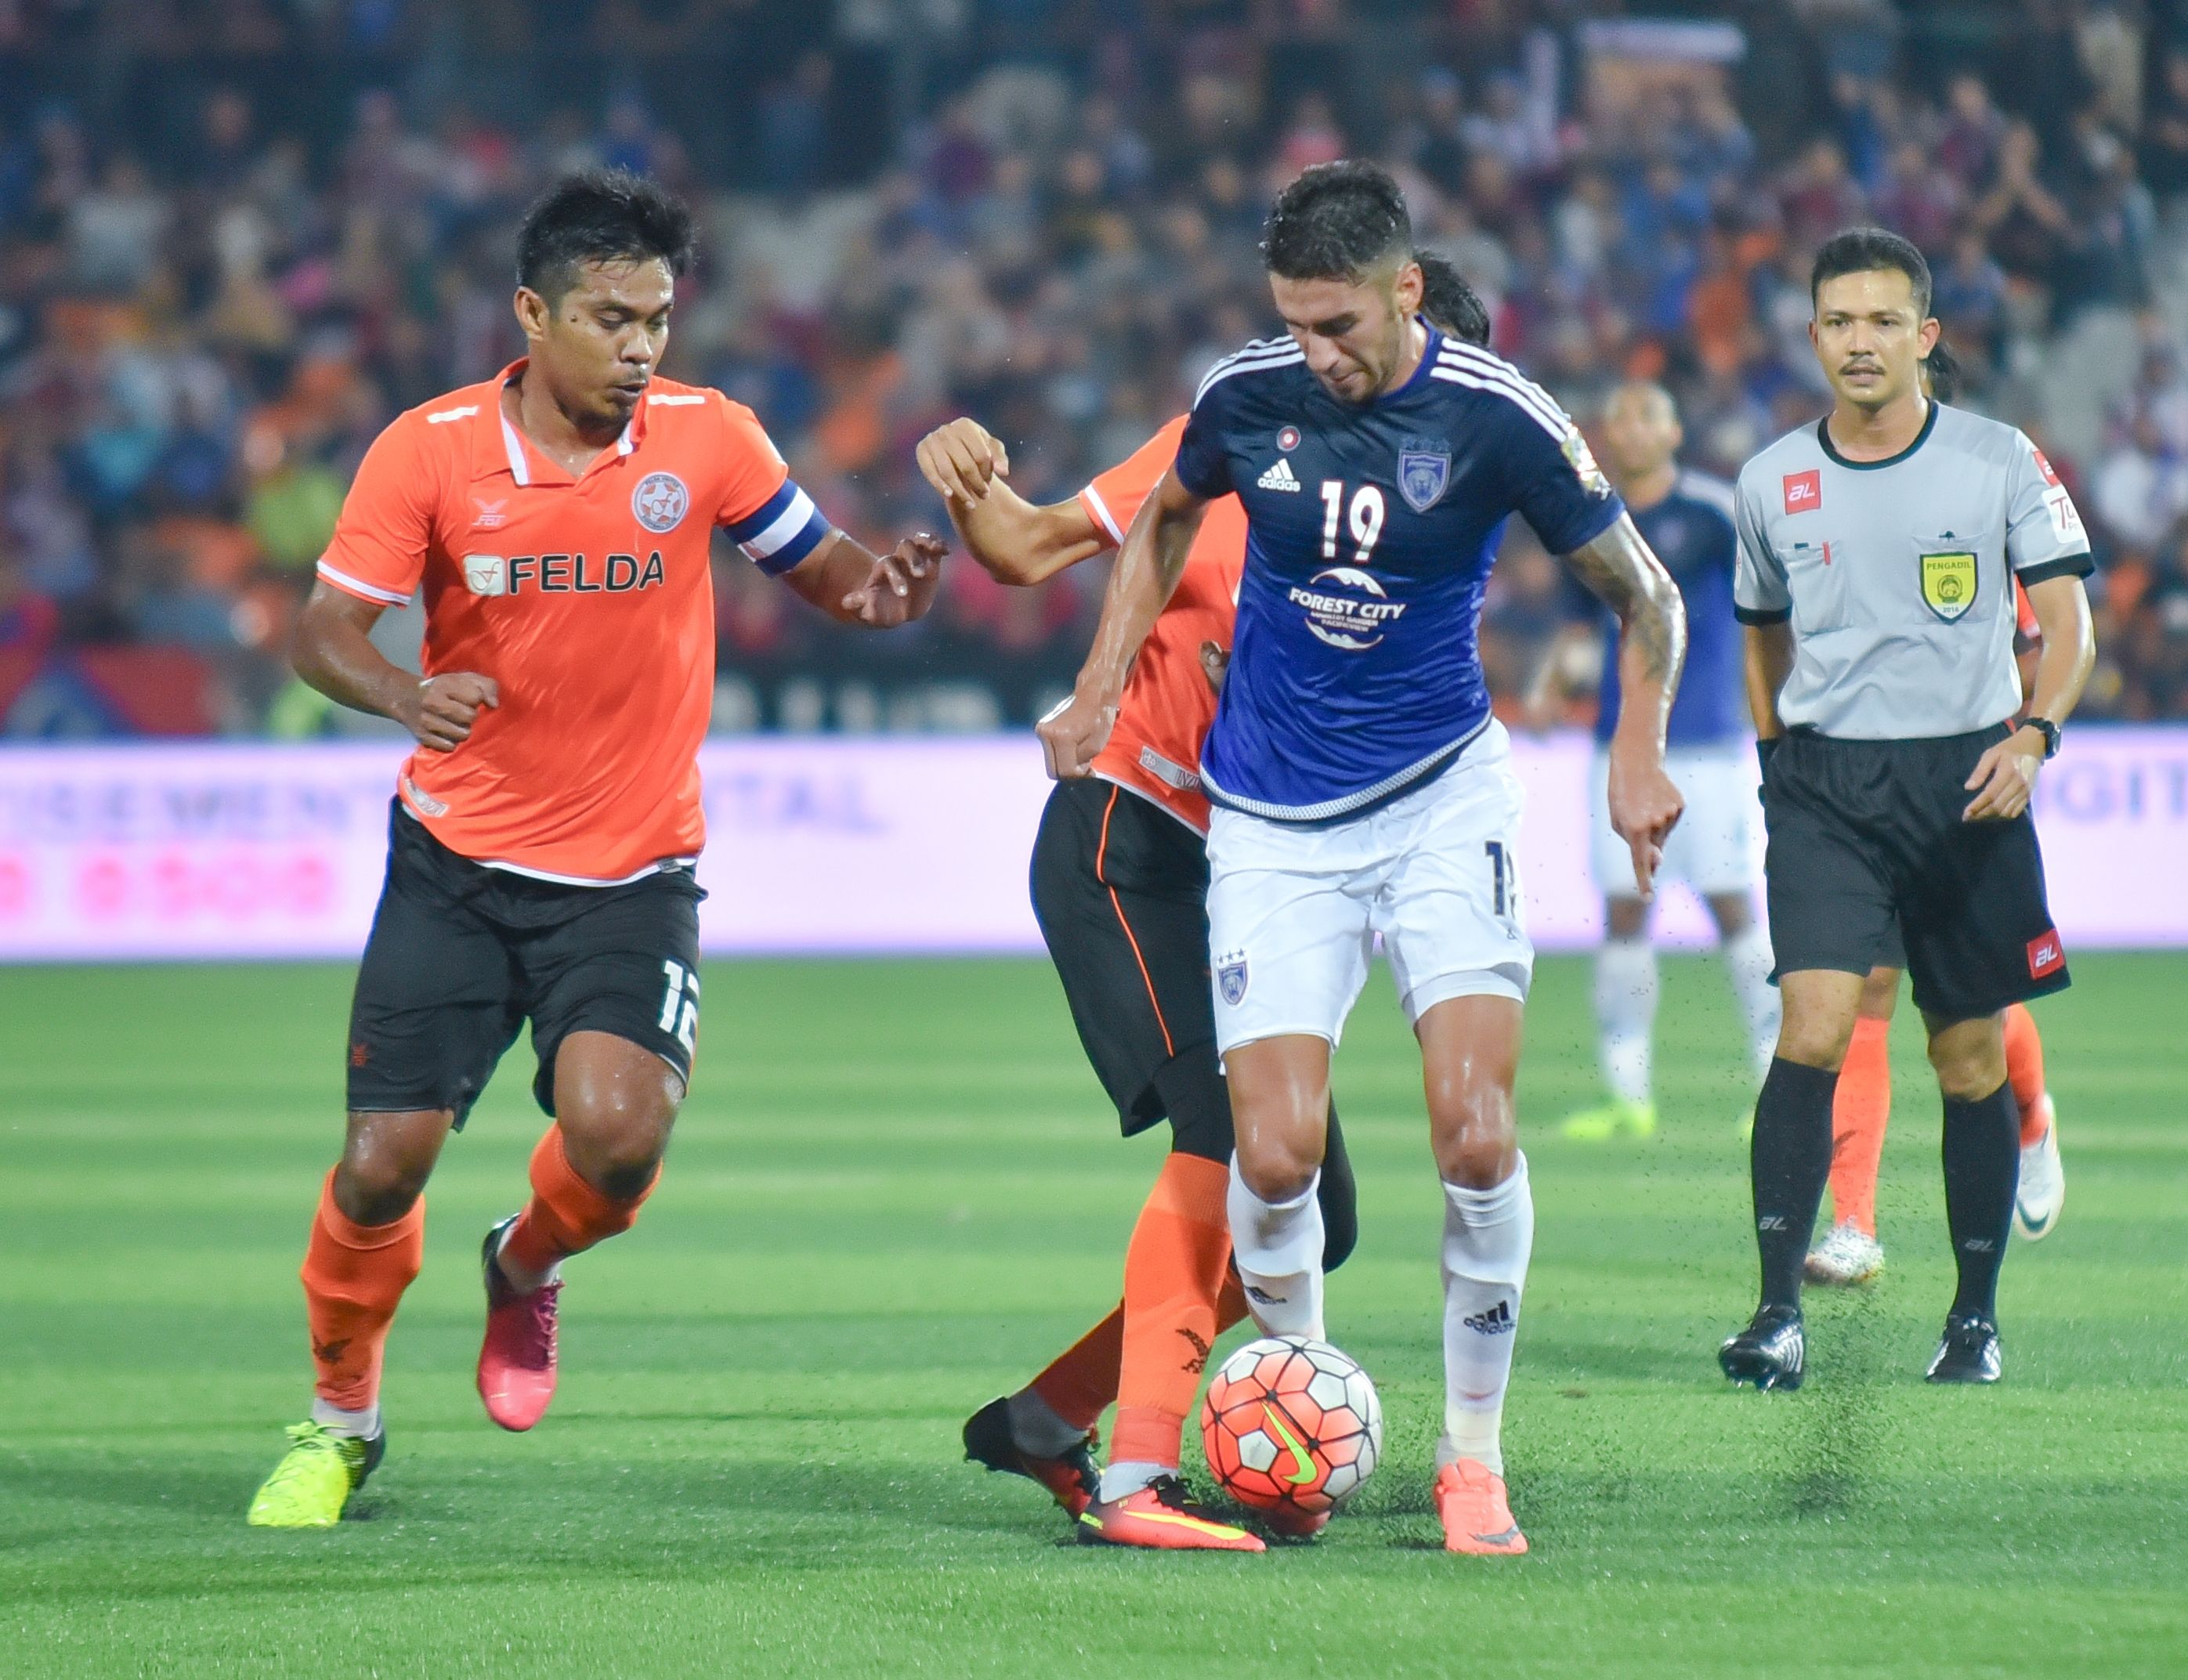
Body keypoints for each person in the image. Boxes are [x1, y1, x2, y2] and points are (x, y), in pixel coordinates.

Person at [245, 170, 945, 1528]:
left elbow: (819, 564)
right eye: (611, 318)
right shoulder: (430, 450)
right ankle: (339, 1428)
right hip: (455, 865)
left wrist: (881, 593)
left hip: (631, 873)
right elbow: (322, 629)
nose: (639, 347)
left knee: (619, 1142)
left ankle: (523, 1264)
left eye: (658, 319)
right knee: (382, 1166)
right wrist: (402, 692)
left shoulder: (709, 438)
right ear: (531, 314)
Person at [1039, 161, 1686, 1555]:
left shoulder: (1497, 416)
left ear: (1405, 289)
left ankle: (1469, 1456)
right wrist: (1098, 686)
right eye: (1293, 322)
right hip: (1271, 818)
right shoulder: (1244, 394)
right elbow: (1158, 520)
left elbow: (1647, 595)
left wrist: (1633, 756)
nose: (1313, 355)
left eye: (1336, 324)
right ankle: (1300, 1417)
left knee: (1473, 1131)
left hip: (1443, 799)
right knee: (1270, 1160)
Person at [918, 257, 1492, 1553]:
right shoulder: (1229, 452)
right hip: (1128, 840)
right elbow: (1019, 546)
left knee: (1315, 1217)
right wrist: (964, 476)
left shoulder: (1431, 554)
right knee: (1226, 1146)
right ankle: (1133, 1482)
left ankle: (1048, 1418)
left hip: (1245, 883)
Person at [1721, 226, 2094, 1391]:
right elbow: (1758, 626)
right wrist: (1776, 750)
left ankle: (1973, 1320)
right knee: (1814, 1029)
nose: (1861, 341)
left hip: (1967, 783)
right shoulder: (1768, 478)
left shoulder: (1997, 459)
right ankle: (1777, 1313)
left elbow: (2069, 621)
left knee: (1967, 1054)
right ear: (1815, 334)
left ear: (1925, 336)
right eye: (1840, 321)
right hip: (1828, 785)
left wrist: (2035, 734)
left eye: (1885, 320)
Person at [1528, 381, 1779, 1140]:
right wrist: (1550, 682)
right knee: (1624, 913)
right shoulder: (1592, 515)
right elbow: (1582, 626)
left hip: (1706, 744)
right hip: (1620, 745)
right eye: (1619, 415)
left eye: (1645, 414)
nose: (1627, 428)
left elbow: (1766, 612)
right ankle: (1627, 1097)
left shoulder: (1711, 512)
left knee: (1733, 903)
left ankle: (1778, 1087)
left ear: (1674, 431)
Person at [1806, 578, 2064, 1285]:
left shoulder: (1986, 492)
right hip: (1853, 777)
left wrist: (2021, 734)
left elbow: (2048, 644)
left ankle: (2030, 1111)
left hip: (1960, 775)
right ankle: (1853, 1226)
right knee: (1868, 989)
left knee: (1963, 1007)